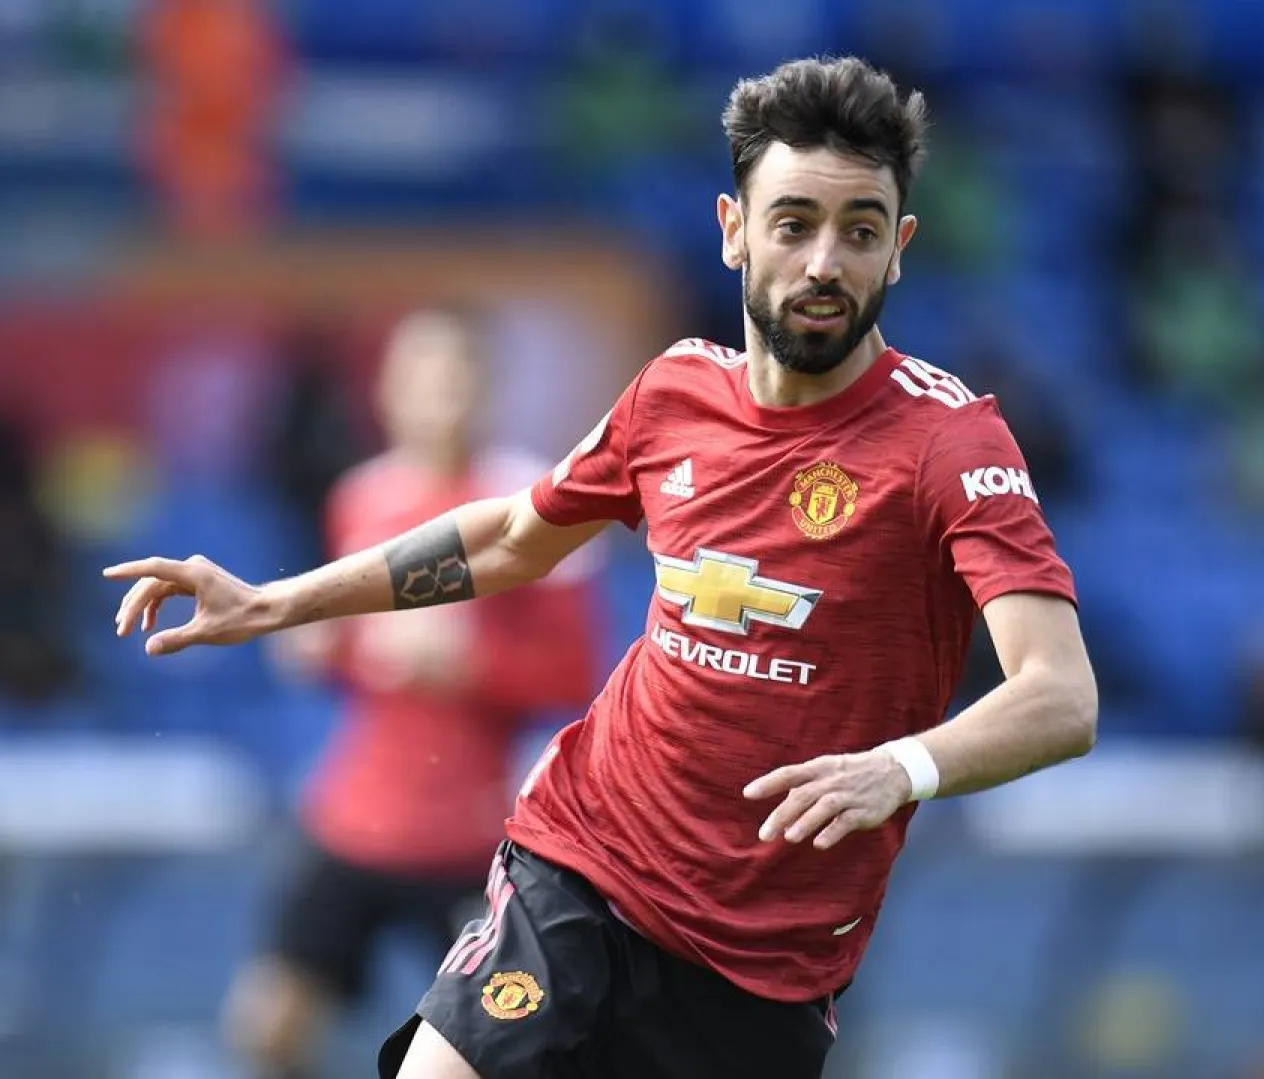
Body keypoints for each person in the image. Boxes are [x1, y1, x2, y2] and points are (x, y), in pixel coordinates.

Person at [106, 57, 1098, 1079]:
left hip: (765, 963)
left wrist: (902, 766)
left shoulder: (951, 444)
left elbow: (1060, 695)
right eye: (793, 222)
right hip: (583, 862)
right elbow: (508, 537)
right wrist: (277, 601)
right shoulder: (673, 393)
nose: (823, 261)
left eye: (859, 229)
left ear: (900, 247)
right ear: (733, 229)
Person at [219, 306, 603, 1079]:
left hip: (475, 835)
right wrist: (325, 647)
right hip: (359, 819)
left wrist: (469, 664)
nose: (436, 393)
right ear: (389, 389)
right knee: (267, 1026)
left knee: (489, 1057)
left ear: (485, 387)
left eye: (454, 374)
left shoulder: (532, 504)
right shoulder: (361, 497)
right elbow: (363, 656)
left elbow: (574, 673)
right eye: (418, 374)